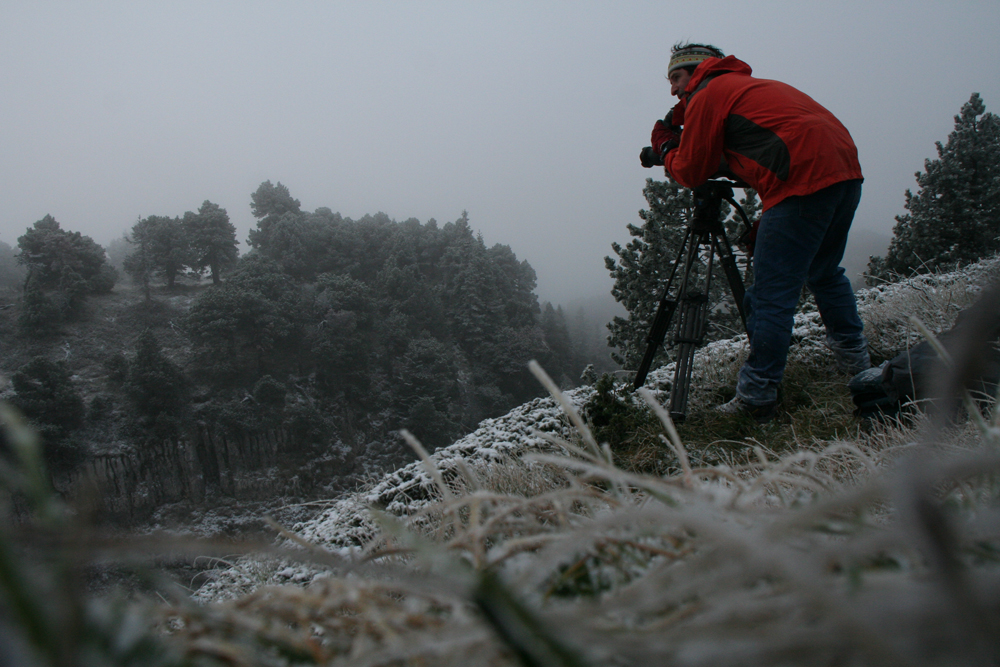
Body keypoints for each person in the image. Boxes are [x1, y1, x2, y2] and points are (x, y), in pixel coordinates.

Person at [641, 42, 870, 422]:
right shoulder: (747, 89)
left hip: (801, 181)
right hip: (844, 172)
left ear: (698, 70)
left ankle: (757, 396)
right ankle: (858, 365)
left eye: (676, 78)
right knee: (824, 273)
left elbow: (693, 170)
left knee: (769, 296)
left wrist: (665, 148)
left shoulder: (709, 94)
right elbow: (758, 151)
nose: (673, 89)